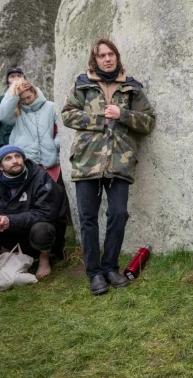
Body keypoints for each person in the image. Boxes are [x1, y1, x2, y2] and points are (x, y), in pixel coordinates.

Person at [62, 38, 155, 295]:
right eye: (101, 55)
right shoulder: (82, 85)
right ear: (95, 60)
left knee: (118, 214)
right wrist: (101, 118)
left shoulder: (131, 87)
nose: (107, 58)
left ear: (117, 56)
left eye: (110, 54)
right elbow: (67, 115)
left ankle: (111, 267)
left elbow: (149, 121)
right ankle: (94, 274)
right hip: (86, 160)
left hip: (120, 161)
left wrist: (122, 115)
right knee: (88, 219)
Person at [0, 146, 67, 278]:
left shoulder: (40, 177)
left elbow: (46, 212)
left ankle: (44, 259)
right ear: (0, 166)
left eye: (18, 156)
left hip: (34, 235)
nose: (15, 161)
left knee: (43, 228)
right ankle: (11, 257)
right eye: (8, 158)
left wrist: (10, 220)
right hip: (5, 236)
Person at [0, 78, 60, 179]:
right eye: (22, 99)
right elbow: (1, 116)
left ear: (35, 92)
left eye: (29, 97)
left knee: (49, 191)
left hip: (50, 159)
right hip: (24, 159)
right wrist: (13, 95)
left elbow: (62, 130)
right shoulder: (17, 110)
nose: (26, 101)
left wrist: (55, 145)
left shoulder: (51, 106)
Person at [0, 67, 24, 149]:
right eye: (12, 76)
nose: (16, 78)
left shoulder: (31, 98)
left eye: (19, 76)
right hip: (7, 141)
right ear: (8, 82)